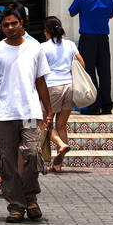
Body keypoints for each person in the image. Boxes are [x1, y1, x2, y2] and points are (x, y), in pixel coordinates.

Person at [0, 3, 53, 223]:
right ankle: (16, 205)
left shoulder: (36, 48)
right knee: (6, 160)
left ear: (22, 23)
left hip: (30, 112)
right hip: (5, 114)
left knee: (32, 154)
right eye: (6, 24)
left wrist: (48, 110)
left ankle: (30, 197)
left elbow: (41, 80)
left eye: (14, 23)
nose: (10, 27)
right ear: (2, 27)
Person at [40, 15, 87, 171]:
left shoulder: (43, 47)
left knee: (44, 122)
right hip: (69, 86)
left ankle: (60, 144)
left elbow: (38, 71)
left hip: (52, 87)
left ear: (46, 31)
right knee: (61, 125)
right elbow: (82, 64)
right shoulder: (70, 44)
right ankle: (58, 164)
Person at [68, 0, 113, 114]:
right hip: (103, 38)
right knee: (104, 71)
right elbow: (111, 14)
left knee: (88, 72)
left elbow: (71, 12)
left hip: (87, 38)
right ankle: (107, 105)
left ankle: (93, 105)